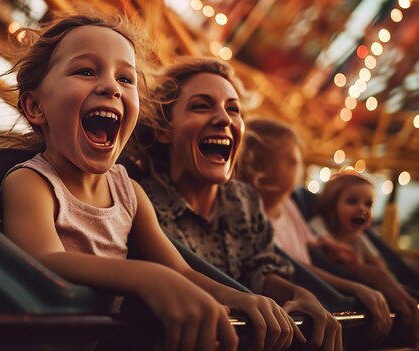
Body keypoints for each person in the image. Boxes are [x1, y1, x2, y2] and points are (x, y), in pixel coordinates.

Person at [0, 13, 312, 351]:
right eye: (86, 71)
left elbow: (183, 272)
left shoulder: (128, 192)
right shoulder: (32, 182)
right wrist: (146, 277)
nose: (111, 87)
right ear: (35, 106)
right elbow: (44, 260)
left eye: (126, 78)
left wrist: (241, 299)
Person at [131, 56, 342, 350]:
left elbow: (258, 269)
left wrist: (298, 294)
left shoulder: (243, 200)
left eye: (233, 109)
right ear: (164, 130)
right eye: (201, 106)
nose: (224, 119)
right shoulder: (139, 202)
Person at [237, 118, 393, 341]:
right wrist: (355, 286)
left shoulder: (288, 205)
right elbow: (288, 263)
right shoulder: (248, 213)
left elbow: (312, 244)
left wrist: (337, 250)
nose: (299, 168)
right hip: (294, 306)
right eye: (292, 162)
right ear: (260, 170)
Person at [310, 171, 419, 344]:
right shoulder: (319, 225)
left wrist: (384, 279)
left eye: (368, 204)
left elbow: (380, 265)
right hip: (336, 284)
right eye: (352, 202)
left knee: (390, 282)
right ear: (331, 205)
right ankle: (410, 316)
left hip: (363, 279)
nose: (362, 208)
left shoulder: (360, 238)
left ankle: (410, 313)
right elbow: (318, 244)